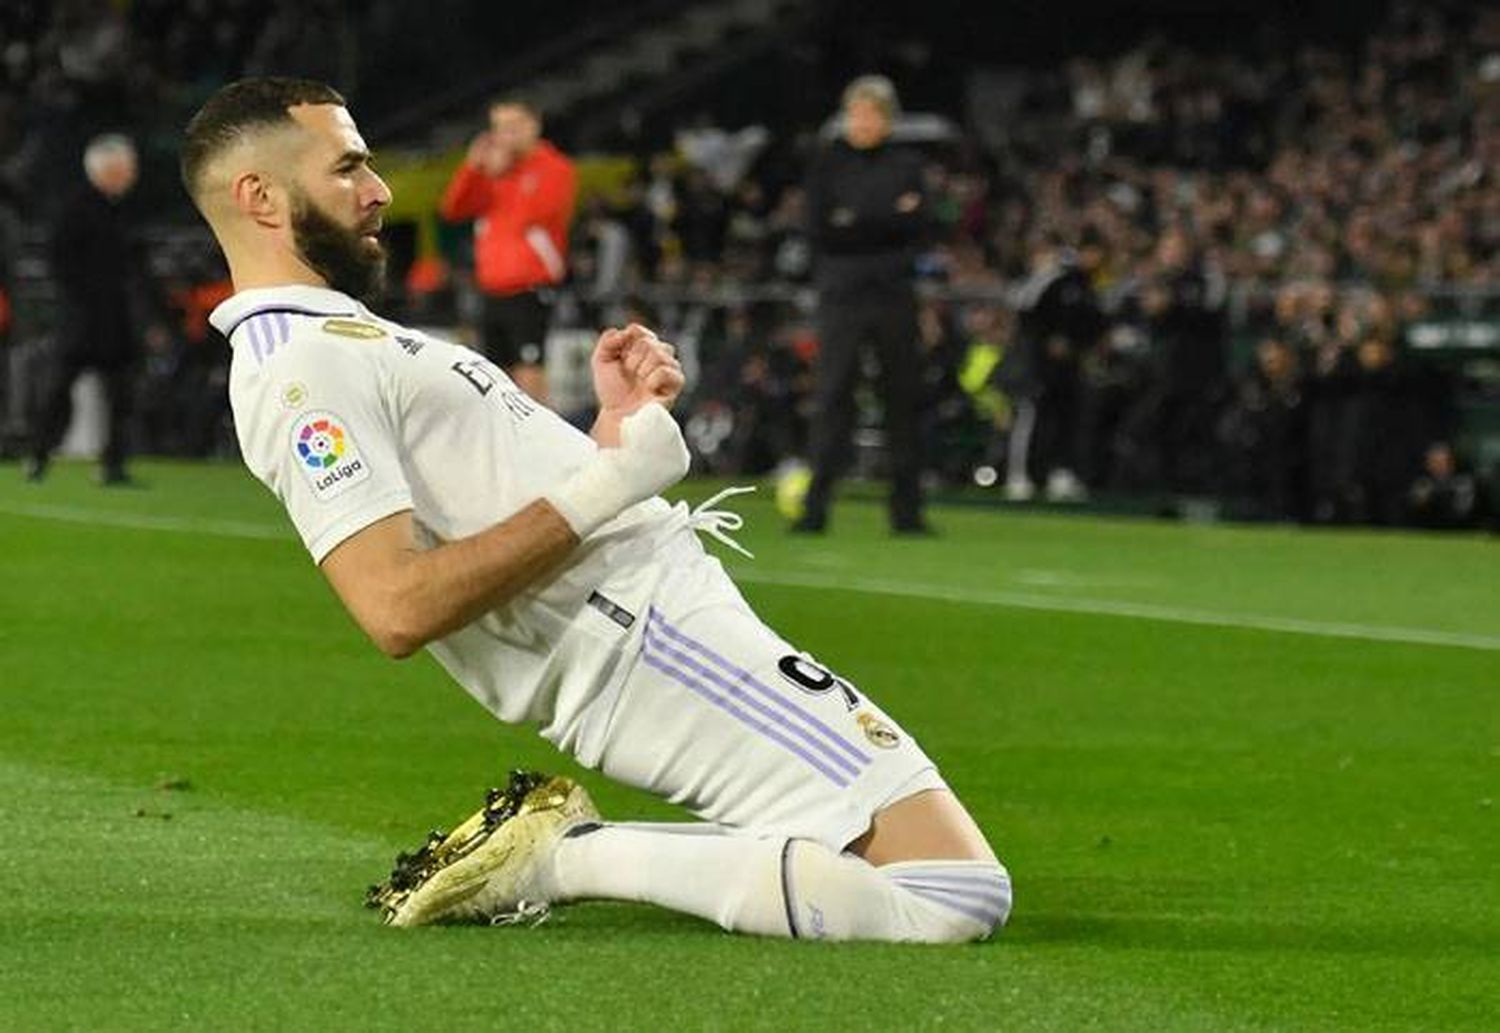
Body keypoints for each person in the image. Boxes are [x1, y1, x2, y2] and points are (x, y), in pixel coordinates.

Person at [181, 77, 1009, 943]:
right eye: (348, 167)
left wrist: (607, 436)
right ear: (260, 197)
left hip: (650, 622)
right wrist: (614, 483)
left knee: (879, 857)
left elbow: (487, 493)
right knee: (950, 892)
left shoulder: (338, 336)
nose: (379, 190)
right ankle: (564, 857)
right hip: (641, 641)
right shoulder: (301, 367)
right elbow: (395, 606)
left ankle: (566, 853)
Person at [795, 75, 929, 534]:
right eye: (857, 113)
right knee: (832, 397)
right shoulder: (827, 165)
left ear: (888, 120)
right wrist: (889, 218)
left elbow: (922, 224)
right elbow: (820, 229)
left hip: (892, 295)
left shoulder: (908, 164)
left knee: (903, 399)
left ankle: (908, 512)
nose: (864, 123)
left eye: (873, 114)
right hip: (844, 296)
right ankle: (815, 508)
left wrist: (855, 221)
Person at [27, 134, 154, 484]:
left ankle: (112, 463)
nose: (132, 174)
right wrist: (80, 301)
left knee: (120, 396)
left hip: (115, 320)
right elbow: (59, 261)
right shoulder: (75, 208)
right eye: (126, 167)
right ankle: (38, 454)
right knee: (59, 390)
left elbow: (138, 266)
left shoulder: (124, 211)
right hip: (82, 320)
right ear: (107, 169)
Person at [439, 98, 576, 404]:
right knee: (495, 374)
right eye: (499, 128)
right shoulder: (489, 173)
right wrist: (473, 168)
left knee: (530, 371)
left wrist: (505, 172)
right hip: (491, 287)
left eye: (513, 126)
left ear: (534, 126)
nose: (505, 135)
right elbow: (453, 210)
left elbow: (539, 214)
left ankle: (540, 444)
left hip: (530, 287)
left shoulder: (554, 168)